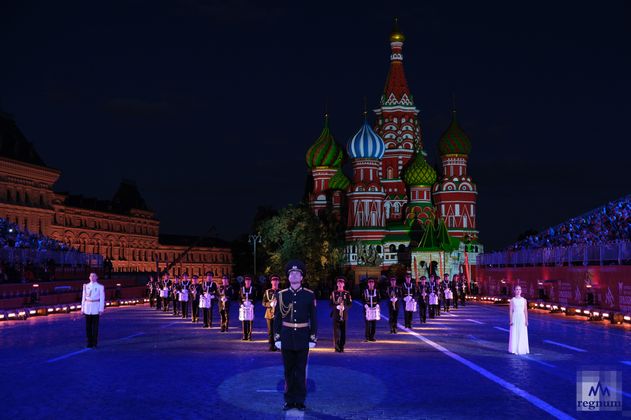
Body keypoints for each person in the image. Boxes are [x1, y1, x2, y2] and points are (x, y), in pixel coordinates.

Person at [273, 260, 317, 411]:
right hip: (286, 336)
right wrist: (277, 337)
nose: (294, 275)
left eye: (297, 273)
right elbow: (277, 318)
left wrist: (312, 337)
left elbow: (314, 318)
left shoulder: (309, 295)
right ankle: (289, 400)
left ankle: (300, 400)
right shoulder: (281, 295)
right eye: (291, 273)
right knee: (288, 370)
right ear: (288, 277)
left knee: (300, 370)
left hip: (303, 336)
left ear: (302, 277)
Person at [81, 272, 105, 348]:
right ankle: (89, 342)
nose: (92, 277)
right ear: (89, 277)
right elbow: (83, 298)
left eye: (94, 276)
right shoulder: (86, 286)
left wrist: (101, 309)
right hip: (87, 308)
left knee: (95, 327)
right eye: (91, 276)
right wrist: (82, 308)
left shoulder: (100, 287)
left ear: (97, 277)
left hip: (96, 308)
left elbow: (102, 298)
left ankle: (94, 343)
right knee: (88, 327)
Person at [330, 276, 352, 352]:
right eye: (339, 283)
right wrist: (336, 306)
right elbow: (331, 303)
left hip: (344, 314)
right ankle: (336, 347)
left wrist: (344, 307)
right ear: (337, 284)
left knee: (343, 331)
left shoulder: (347, 293)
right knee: (336, 332)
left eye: (341, 283)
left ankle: (342, 346)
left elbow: (349, 304)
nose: (340, 284)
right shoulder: (333, 293)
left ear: (344, 284)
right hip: (336, 314)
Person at [508, 285, 529, 355]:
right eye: (517, 289)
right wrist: (511, 320)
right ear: (514, 291)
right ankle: (514, 349)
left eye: (519, 289)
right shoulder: (512, 300)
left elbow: (525, 311)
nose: (518, 291)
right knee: (515, 332)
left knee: (522, 332)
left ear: (521, 291)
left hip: (522, 317)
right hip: (515, 317)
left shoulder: (524, 300)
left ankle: (522, 348)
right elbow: (511, 311)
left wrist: (526, 320)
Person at [263, 274, 281, 351]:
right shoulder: (267, 292)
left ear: (278, 282)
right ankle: (271, 345)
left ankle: (278, 344)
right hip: (269, 314)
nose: (275, 282)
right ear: (271, 282)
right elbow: (263, 303)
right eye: (273, 281)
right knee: (270, 331)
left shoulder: (281, 292)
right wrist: (269, 304)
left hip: (278, 314)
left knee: (278, 330)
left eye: (276, 281)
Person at [363, 277, 380, 342]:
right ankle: (367, 337)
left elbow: (379, 299)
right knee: (367, 323)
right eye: (369, 282)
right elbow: (362, 299)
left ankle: (372, 337)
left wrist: (377, 305)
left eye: (372, 282)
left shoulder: (377, 291)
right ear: (368, 284)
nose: (371, 284)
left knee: (373, 324)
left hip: (374, 308)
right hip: (367, 308)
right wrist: (365, 305)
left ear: (374, 284)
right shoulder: (365, 291)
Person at [239, 275, 256, 340]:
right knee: (244, 321)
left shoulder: (253, 289)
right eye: (246, 281)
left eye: (249, 281)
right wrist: (241, 304)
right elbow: (239, 298)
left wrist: (253, 304)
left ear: (250, 282)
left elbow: (255, 298)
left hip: (250, 306)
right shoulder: (241, 289)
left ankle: (249, 336)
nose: (248, 282)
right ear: (245, 282)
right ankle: (244, 335)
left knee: (250, 321)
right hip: (243, 306)